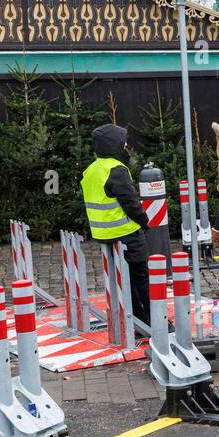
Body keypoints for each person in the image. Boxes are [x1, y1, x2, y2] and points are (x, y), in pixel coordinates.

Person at [80, 124, 150, 325]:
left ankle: (137, 322)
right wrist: (144, 222)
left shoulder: (91, 170)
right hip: (126, 233)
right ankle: (155, 322)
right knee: (141, 279)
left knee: (123, 281)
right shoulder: (116, 169)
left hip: (103, 235)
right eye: (123, 143)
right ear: (114, 145)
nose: (126, 145)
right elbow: (131, 203)